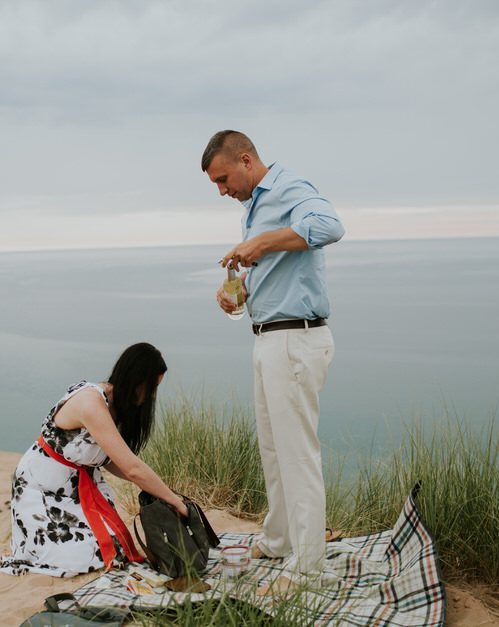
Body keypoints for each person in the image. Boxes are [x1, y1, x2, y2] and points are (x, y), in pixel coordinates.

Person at [202, 130, 345, 587]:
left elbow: (330, 227)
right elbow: (280, 270)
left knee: (297, 455)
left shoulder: (288, 188)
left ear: (246, 160)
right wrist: (242, 290)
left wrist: (260, 244)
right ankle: (280, 540)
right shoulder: (254, 206)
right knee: (272, 450)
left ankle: (309, 567)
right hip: (269, 339)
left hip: (295, 340)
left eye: (223, 179)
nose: (222, 191)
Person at [0, 342, 187, 577]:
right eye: (151, 387)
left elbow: (112, 461)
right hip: (42, 488)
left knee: (115, 549)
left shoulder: (117, 405)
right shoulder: (91, 402)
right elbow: (132, 468)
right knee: (84, 558)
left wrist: (160, 491)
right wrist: (175, 501)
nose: (152, 395)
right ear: (135, 379)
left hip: (77, 490)